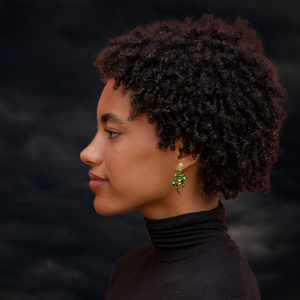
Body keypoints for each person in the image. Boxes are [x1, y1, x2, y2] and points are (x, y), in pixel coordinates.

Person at [80, 13, 287, 300]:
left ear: (185, 150)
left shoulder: (216, 290)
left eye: (112, 132)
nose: (87, 153)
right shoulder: (129, 267)